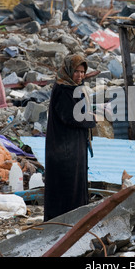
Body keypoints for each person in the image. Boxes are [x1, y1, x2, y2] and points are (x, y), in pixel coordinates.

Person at [44, 54, 96, 221]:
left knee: (76, 182)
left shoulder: (73, 87)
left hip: (73, 145)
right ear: (68, 70)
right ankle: (65, 222)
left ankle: (76, 220)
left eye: (82, 72)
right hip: (64, 148)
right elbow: (70, 117)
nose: (80, 75)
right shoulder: (63, 89)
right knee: (67, 185)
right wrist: (91, 119)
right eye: (76, 71)